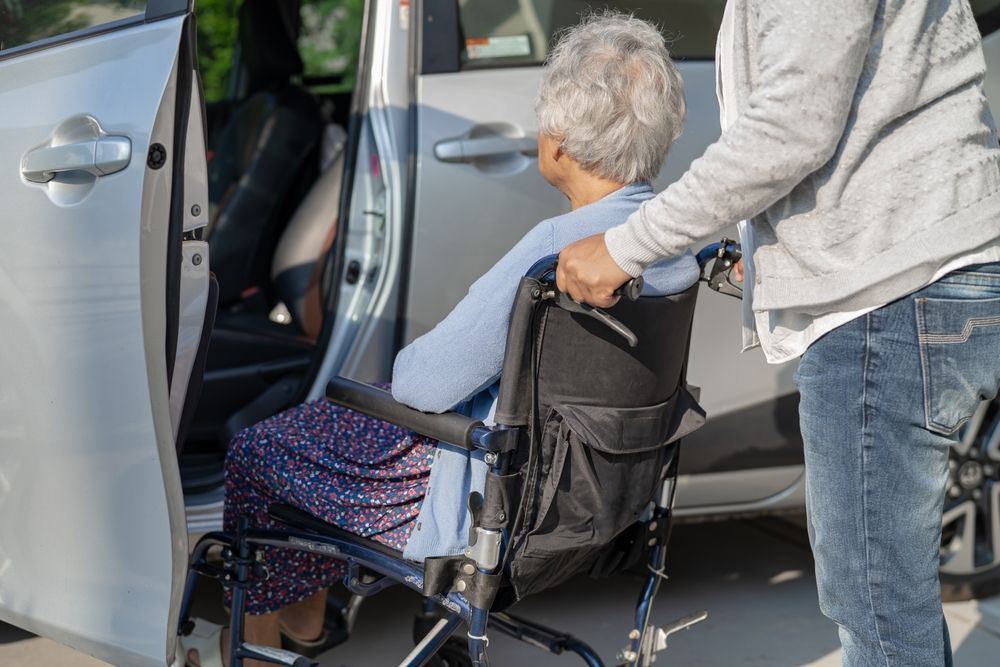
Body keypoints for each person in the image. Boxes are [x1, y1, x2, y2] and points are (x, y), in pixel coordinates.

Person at [182, 14, 698, 667]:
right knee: (331, 417)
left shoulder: (551, 255)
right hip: (593, 499)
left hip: (482, 496)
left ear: (560, 143)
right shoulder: (673, 248)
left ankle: (263, 646)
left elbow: (422, 385)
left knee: (260, 449)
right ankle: (304, 619)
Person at [557, 2, 1000, 665]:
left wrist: (628, 246)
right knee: (886, 601)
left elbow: (792, 127)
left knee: (877, 608)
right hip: (908, 275)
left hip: (891, 291)